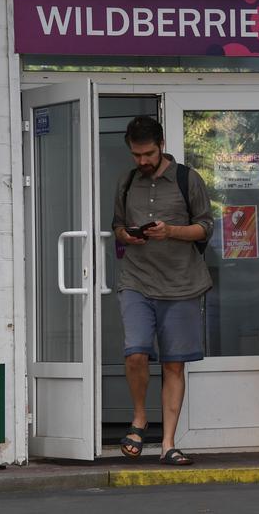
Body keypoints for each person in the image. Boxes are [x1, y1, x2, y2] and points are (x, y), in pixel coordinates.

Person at [112, 116, 213, 466]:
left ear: (162, 144)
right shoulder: (126, 181)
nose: (142, 161)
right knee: (135, 352)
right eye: (136, 154)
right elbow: (117, 225)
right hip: (136, 280)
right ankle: (140, 418)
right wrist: (124, 235)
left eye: (149, 153)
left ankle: (168, 443)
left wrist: (170, 231)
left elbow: (204, 228)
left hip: (182, 284)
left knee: (173, 365)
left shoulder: (188, 179)